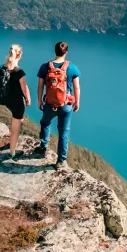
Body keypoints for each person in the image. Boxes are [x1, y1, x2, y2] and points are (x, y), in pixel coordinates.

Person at [36, 40, 81, 171]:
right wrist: (77, 102)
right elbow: (76, 87)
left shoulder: (45, 67)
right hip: (66, 105)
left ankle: (43, 147)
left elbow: (40, 86)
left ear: (55, 51)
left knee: (45, 123)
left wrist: (40, 101)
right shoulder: (71, 68)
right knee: (64, 131)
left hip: (49, 104)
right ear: (66, 52)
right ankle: (61, 161)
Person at [0, 44, 31, 158]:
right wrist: (28, 100)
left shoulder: (3, 67)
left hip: (7, 100)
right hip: (17, 103)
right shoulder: (19, 71)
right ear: (19, 55)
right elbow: (24, 88)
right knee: (16, 129)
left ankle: (12, 142)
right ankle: (12, 152)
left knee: (15, 124)